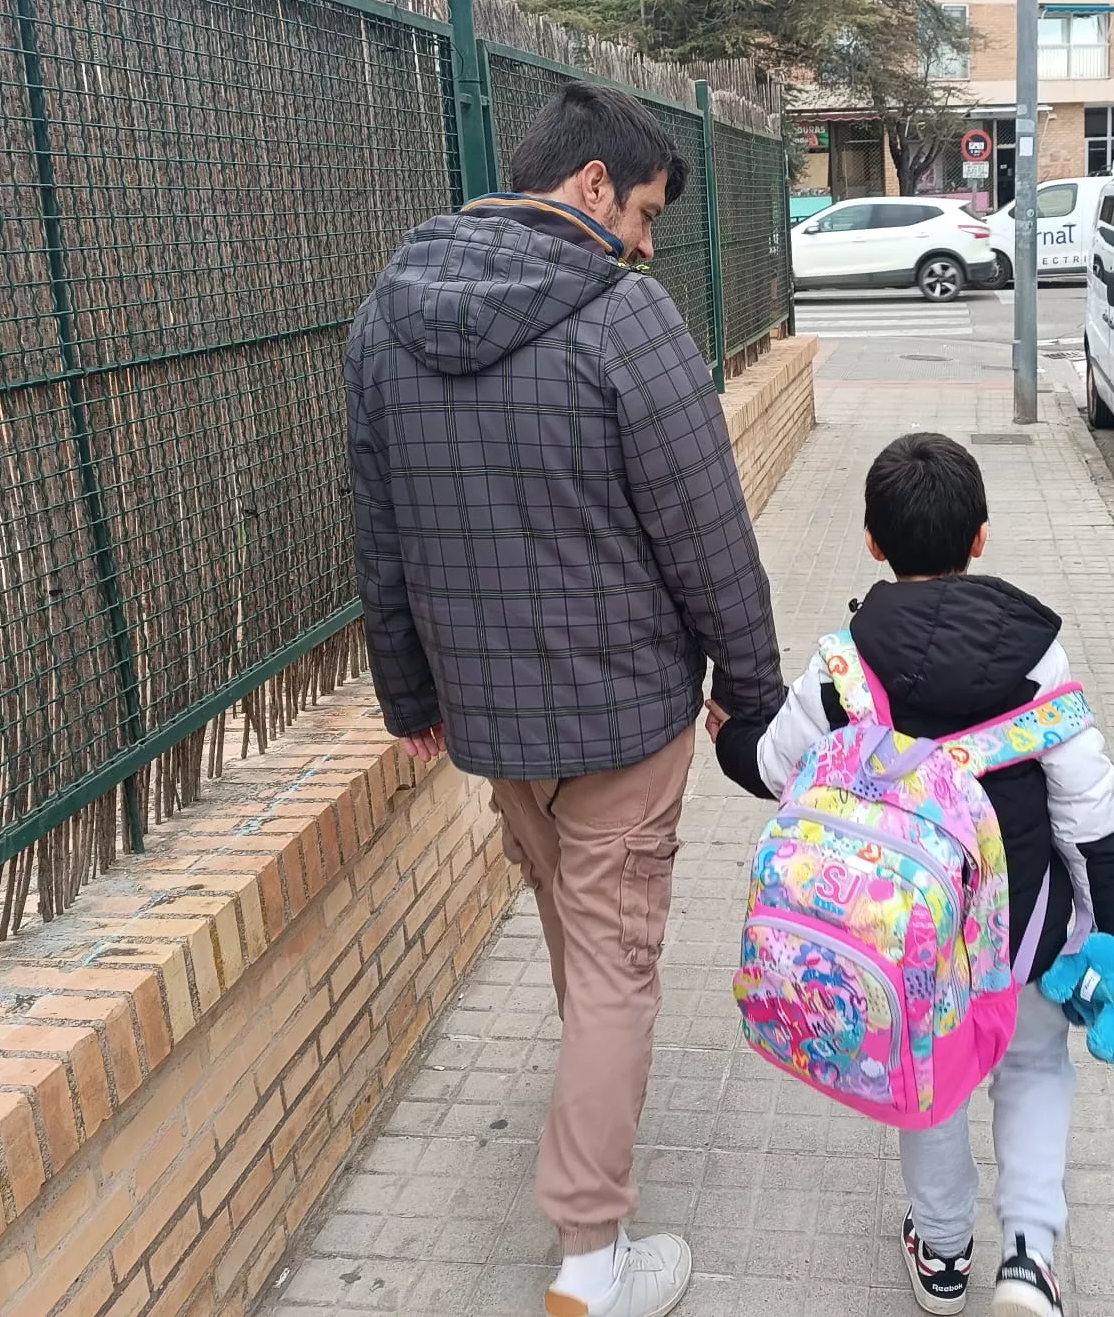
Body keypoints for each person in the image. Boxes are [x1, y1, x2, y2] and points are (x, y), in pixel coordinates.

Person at [345, 81, 784, 1317]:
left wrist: (408, 696)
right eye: (644, 211)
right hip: (621, 721)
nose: (647, 241)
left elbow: (378, 535)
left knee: (576, 946)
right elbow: (709, 537)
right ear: (590, 185)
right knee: (612, 971)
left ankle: (592, 1200)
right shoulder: (623, 316)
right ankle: (593, 1263)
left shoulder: (386, 319)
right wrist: (749, 699)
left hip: (493, 727)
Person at [711, 432, 1114, 1317]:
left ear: (873, 543)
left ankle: (943, 1255)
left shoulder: (844, 662)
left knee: (929, 1083)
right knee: (1032, 1069)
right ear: (980, 537)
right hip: (1024, 929)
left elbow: (771, 767)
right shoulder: (1036, 655)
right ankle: (1029, 1254)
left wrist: (724, 729)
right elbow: (1088, 805)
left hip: (904, 939)